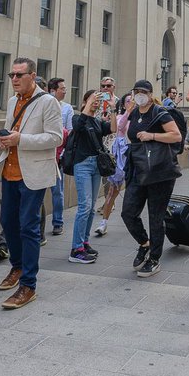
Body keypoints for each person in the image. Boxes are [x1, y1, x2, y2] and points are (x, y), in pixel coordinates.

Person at [0, 57, 63, 309]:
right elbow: (9, 131)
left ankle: (28, 285)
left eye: (19, 75)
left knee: (28, 227)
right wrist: (6, 140)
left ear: (32, 76)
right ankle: (17, 267)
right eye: (12, 74)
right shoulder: (12, 101)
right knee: (7, 223)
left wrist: (20, 139)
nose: (14, 79)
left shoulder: (48, 102)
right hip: (9, 170)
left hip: (33, 174)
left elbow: (55, 138)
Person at [122, 79, 183, 278]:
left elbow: (176, 136)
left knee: (155, 217)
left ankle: (155, 258)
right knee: (128, 212)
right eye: (136, 91)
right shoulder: (133, 112)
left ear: (150, 94)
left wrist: (152, 136)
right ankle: (144, 244)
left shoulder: (160, 112)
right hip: (137, 170)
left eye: (143, 91)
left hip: (159, 172)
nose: (139, 94)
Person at [67, 89, 116, 263]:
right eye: (92, 100)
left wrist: (113, 109)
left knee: (91, 206)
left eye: (97, 100)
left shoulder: (96, 121)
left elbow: (112, 128)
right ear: (84, 102)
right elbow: (79, 126)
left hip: (96, 165)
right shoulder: (77, 118)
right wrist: (89, 103)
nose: (96, 102)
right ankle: (76, 249)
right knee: (84, 206)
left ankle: (84, 242)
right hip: (83, 165)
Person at [95, 90, 130, 237]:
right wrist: (128, 111)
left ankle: (133, 219)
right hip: (120, 156)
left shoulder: (140, 118)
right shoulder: (122, 116)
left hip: (135, 157)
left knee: (135, 192)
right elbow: (120, 127)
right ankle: (103, 223)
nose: (131, 102)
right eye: (128, 100)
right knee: (112, 191)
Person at [47, 77, 71, 236]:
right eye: (62, 88)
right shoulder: (43, 105)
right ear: (52, 91)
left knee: (57, 192)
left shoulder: (67, 108)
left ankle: (58, 222)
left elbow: (69, 132)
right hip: (42, 155)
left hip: (57, 157)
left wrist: (62, 154)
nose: (65, 91)